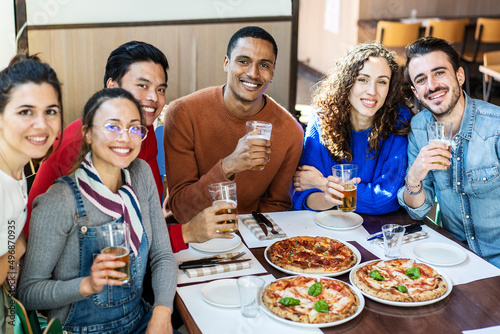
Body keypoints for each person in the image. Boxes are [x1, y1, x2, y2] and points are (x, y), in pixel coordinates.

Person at [19, 88, 180, 333]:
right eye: (113, 127)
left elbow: (163, 257)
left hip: (139, 319)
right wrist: (87, 285)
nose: (125, 138)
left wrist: (162, 310)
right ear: (88, 134)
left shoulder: (141, 175)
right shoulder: (59, 201)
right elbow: (29, 292)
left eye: (134, 128)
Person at [26, 40, 168, 237]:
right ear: (112, 86)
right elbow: (88, 234)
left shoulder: (145, 129)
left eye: (161, 89)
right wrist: (184, 233)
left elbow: (151, 211)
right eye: (142, 85)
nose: (154, 97)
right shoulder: (79, 143)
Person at [164, 26, 303, 224]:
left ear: (272, 72)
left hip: (248, 230)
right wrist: (229, 166)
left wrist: (248, 234)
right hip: (186, 231)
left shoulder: (291, 131)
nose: (253, 73)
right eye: (243, 61)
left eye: (263, 65)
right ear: (226, 63)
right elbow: (181, 209)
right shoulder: (183, 113)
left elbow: (277, 205)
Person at [397, 37, 500, 268]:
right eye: (421, 79)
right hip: (454, 258)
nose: (432, 85)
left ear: (460, 76)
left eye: (439, 73)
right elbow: (418, 211)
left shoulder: (496, 127)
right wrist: (414, 177)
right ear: (416, 91)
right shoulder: (419, 128)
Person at [292, 43, 410, 214]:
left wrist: (323, 184)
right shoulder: (322, 119)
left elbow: (385, 199)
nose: (372, 91)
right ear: (346, 82)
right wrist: (327, 195)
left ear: (390, 88)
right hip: (328, 228)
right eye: (363, 79)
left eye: (382, 82)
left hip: (377, 230)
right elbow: (304, 195)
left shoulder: (399, 121)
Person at [0, 54, 63, 332]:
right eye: (25, 111)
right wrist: (22, 244)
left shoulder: (18, 166)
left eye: (50, 110)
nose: (41, 124)